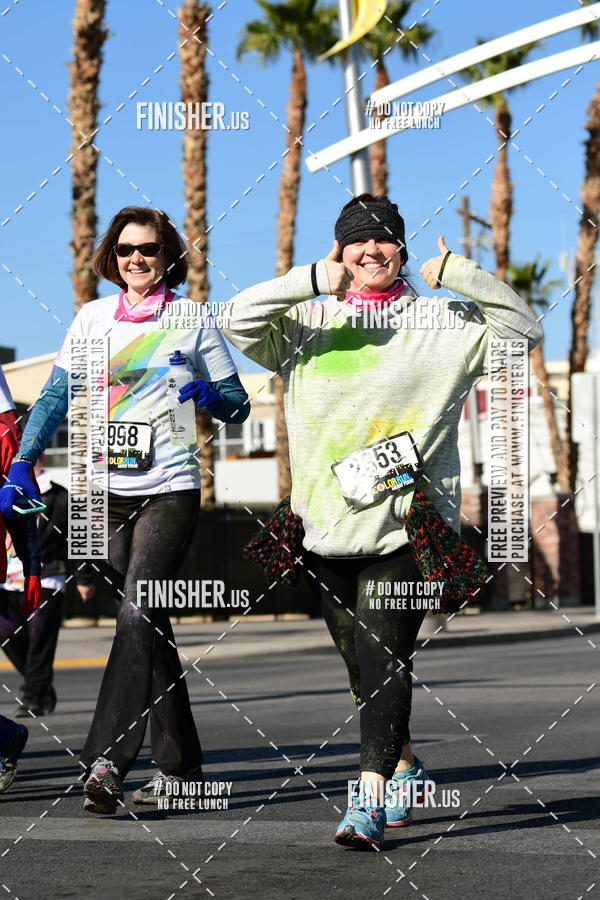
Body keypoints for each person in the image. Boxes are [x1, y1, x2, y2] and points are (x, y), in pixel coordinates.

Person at [223, 193, 543, 849]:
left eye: (385, 240)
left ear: (401, 247)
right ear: (340, 251)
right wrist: (312, 278)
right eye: (356, 242)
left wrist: (458, 273)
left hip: (407, 522)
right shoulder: (308, 324)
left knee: (386, 657)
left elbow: (524, 328)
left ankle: (365, 800)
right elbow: (236, 318)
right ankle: (403, 765)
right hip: (324, 522)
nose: (372, 251)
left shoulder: (443, 323)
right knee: (362, 665)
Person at [0, 206, 250, 814]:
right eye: (125, 251)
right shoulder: (91, 318)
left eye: (149, 249)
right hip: (101, 491)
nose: (136, 260)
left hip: (170, 486)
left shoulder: (192, 317)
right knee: (151, 623)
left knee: (138, 614)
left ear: (169, 256)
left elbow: (238, 406)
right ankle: (183, 765)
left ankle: (106, 761)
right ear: (113, 258)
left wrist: (208, 393)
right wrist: (23, 461)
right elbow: (58, 393)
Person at [0, 457, 93, 717]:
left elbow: (79, 538)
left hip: (46, 576)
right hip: (7, 578)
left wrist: (83, 578)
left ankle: (34, 696)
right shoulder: (4, 489)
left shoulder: (59, 495)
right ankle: (40, 686)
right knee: (6, 633)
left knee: (41, 639)